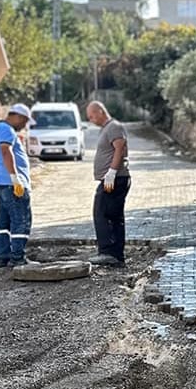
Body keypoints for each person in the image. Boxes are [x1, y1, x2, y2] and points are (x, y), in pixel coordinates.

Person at [0, 103, 35, 268]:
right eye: (24, 121)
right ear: (18, 117)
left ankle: (4, 256)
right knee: (21, 218)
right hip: (11, 183)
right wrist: (16, 179)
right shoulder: (6, 130)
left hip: (2, 182)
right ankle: (17, 257)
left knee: (4, 221)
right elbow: (6, 151)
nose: (24, 126)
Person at [87, 101, 130, 267]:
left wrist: (111, 172)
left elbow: (120, 148)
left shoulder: (114, 127)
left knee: (102, 213)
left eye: (91, 116)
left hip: (114, 179)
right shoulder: (106, 128)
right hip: (112, 179)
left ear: (100, 111)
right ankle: (116, 256)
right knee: (113, 216)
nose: (90, 120)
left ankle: (108, 253)